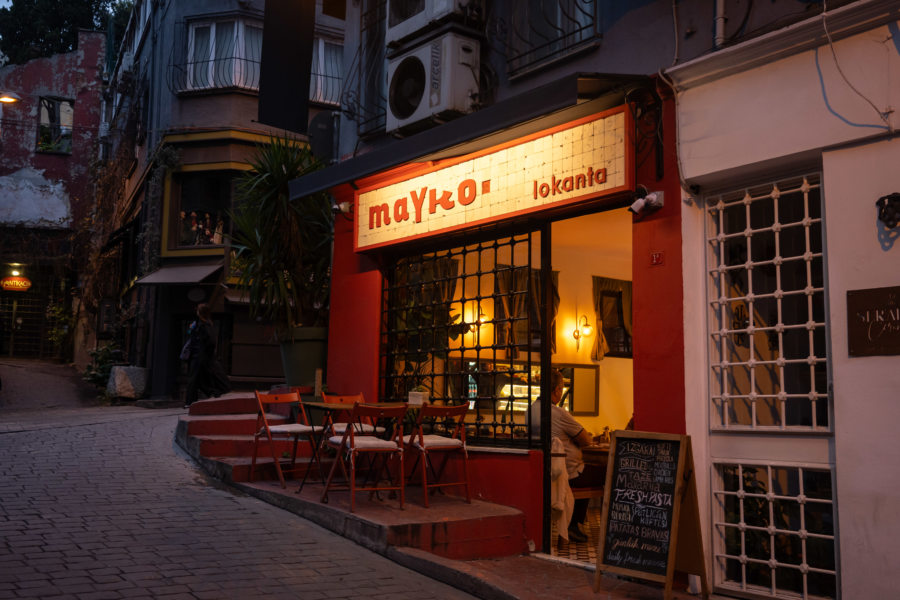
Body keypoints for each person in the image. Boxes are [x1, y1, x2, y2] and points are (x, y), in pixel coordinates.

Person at [529, 369, 605, 543]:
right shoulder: (559, 413)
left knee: (586, 470)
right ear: (557, 390)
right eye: (561, 388)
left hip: (544, 471)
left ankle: (574, 524)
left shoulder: (530, 411)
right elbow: (585, 440)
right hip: (565, 472)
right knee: (606, 472)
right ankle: (578, 525)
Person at [184, 303, 231, 407]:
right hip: (202, 356)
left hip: (198, 356)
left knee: (194, 379)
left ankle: (191, 401)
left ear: (199, 313)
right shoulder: (207, 324)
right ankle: (210, 394)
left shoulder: (201, 325)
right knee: (200, 378)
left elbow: (205, 341)